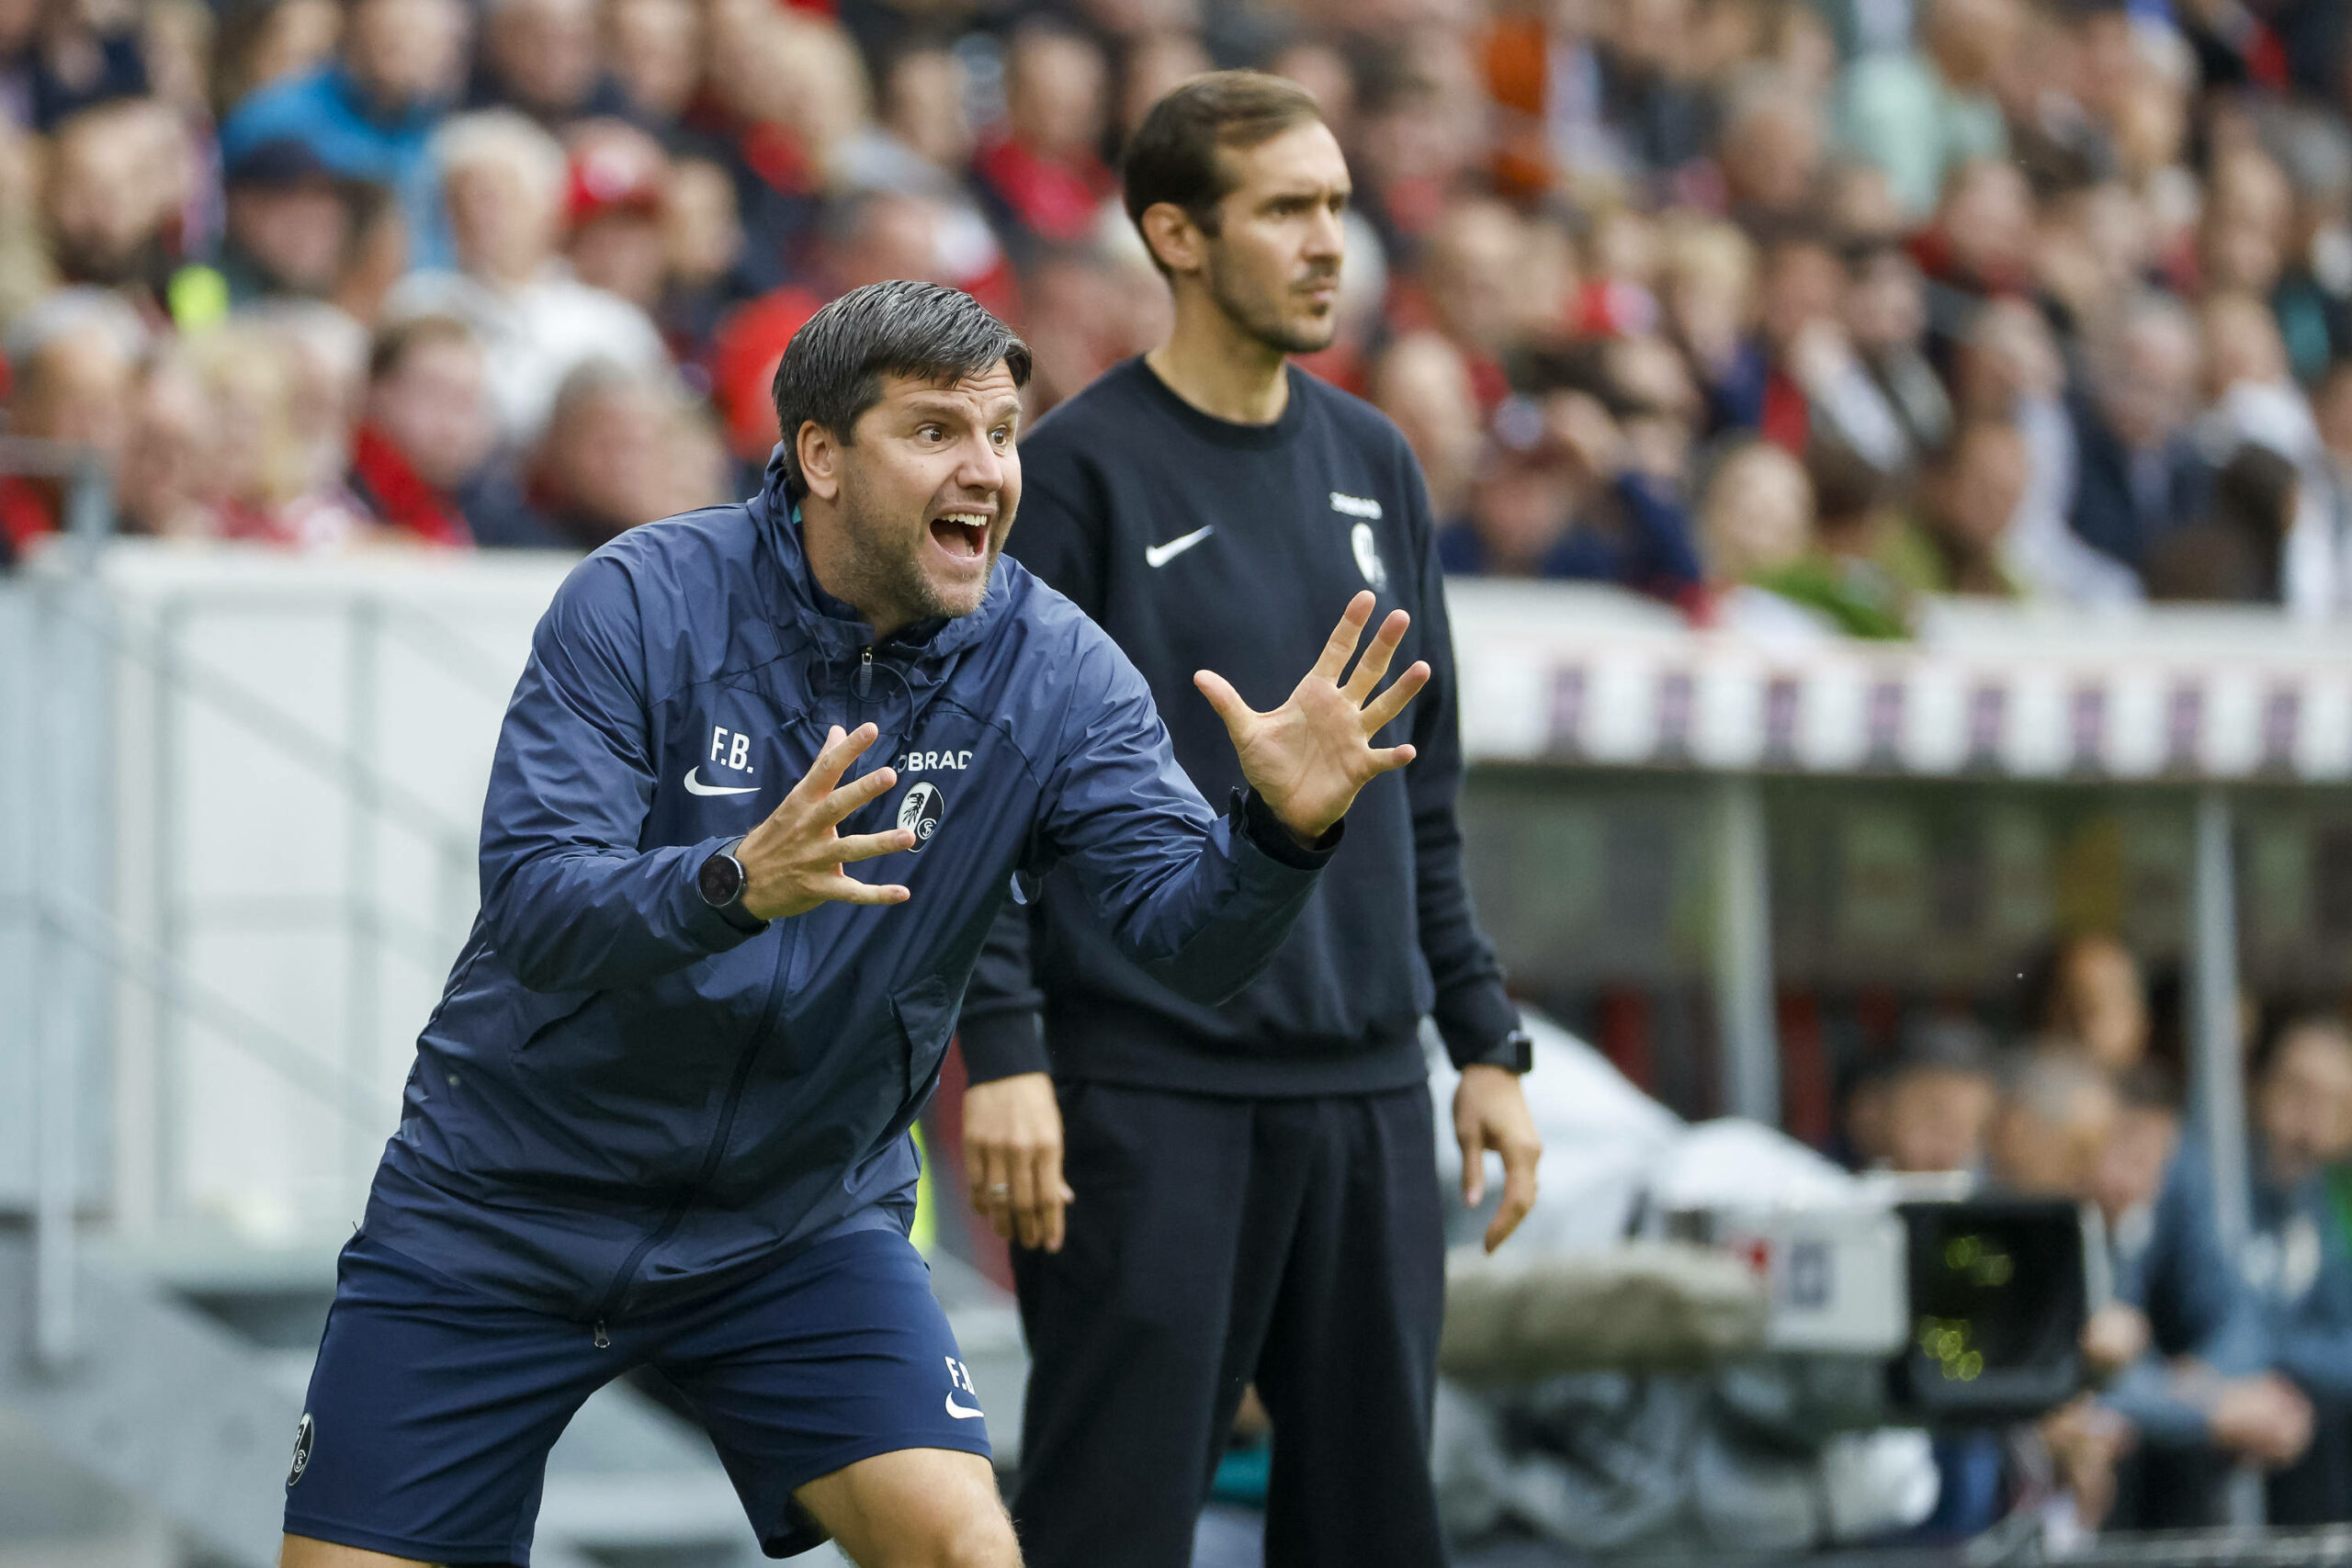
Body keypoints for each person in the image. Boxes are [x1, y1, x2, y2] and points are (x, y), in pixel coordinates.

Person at [279, 277, 1431, 1568]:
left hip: (793, 1222)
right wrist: (735, 883)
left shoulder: (1055, 669)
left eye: (1001, 433)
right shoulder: (641, 601)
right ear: (820, 455)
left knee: (965, 1551)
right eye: (937, 431)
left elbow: (1189, 944)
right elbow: (540, 904)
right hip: (504, 1203)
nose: (988, 470)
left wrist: (1278, 837)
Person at [953, 73, 1542, 1568]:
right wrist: (1009, 1058)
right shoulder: (1076, 472)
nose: (1330, 242)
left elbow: (1434, 787)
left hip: (1365, 1094)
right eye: (1287, 209)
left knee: (1374, 1531)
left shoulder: (1377, 461)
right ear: (1178, 235)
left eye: (1339, 206)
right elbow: (991, 798)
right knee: (1110, 1525)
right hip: (1148, 1093)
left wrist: (1481, 1041)